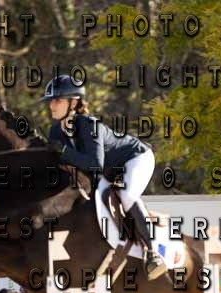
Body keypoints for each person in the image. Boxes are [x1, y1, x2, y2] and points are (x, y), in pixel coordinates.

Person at [43, 74, 167, 280]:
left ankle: (153, 253)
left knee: (126, 194)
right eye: (50, 101)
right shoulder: (56, 130)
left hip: (136, 158)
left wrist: (64, 151)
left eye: (57, 100)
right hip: (109, 171)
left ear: (73, 102)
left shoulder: (90, 125)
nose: (51, 105)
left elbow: (94, 165)